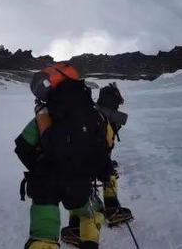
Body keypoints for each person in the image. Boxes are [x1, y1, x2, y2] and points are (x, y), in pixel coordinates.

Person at [15, 63, 114, 249]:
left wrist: (41, 167)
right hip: (80, 184)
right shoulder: (95, 115)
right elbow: (104, 147)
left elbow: (22, 147)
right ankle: (89, 242)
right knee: (91, 212)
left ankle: (43, 243)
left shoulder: (46, 114)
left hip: (46, 185)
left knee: (43, 233)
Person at [61, 83, 133, 247]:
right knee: (110, 174)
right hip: (90, 164)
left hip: (71, 164)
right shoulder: (103, 121)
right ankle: (112, 209)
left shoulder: (89, 115)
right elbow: (103, 149)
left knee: (78, 190)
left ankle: (74, 225)